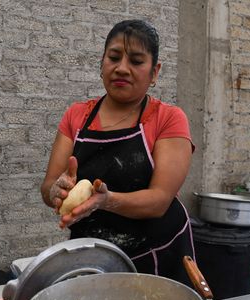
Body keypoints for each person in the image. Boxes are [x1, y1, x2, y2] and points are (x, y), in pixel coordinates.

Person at [41, 19, 196, 285]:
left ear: (154, 72)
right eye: (113, 57)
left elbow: (159, 201)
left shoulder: (168, 119)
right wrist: (57, 191)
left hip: (156, 258)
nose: (122, 68)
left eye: (136, 61)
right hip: (94, 260)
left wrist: (107, 200)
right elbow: (47, 188)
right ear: (102, 63)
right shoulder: (77, 116)